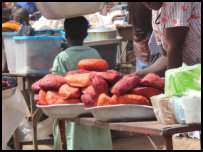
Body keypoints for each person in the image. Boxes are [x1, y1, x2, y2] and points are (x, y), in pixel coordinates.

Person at [52, 16, 112, 150]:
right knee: (95, 141)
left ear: (65, 35)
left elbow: (57, 83)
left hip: (71, 109)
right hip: (93, 107)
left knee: (73, 140)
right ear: (86, 34)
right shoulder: (94, 53)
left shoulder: (62, 57)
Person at [134, 2, 201, 78]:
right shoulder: (157, 12)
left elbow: (175, 44)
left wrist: (171, 83)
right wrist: (137, 75)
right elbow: (166, 56)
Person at [128, 2, 161, 72]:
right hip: (148, 37)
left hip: (138, 39)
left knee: (143, 69)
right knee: (151, 70)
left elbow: (129, 21)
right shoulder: (151, 5)